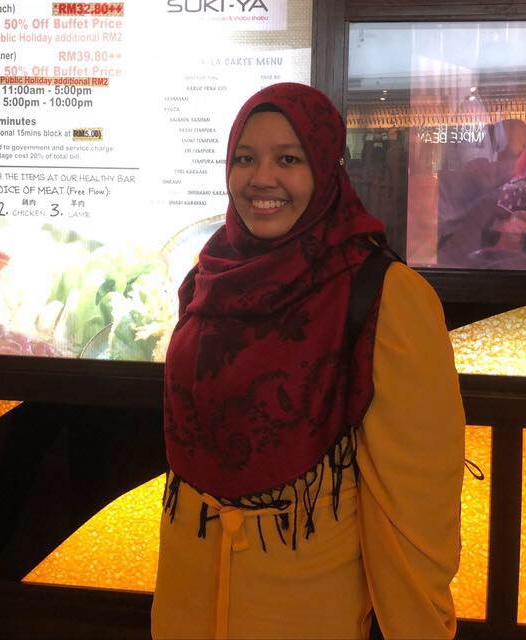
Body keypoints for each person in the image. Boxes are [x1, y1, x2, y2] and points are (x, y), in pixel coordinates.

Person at [152, 82, 465, 640]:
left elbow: (418, 500)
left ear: (325, 169)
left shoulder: (384, 293)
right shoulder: (207, 277)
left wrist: (416, 624)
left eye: (288, 160)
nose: (261, 178)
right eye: (245, 158)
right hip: (187, 599)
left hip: (307, 607)